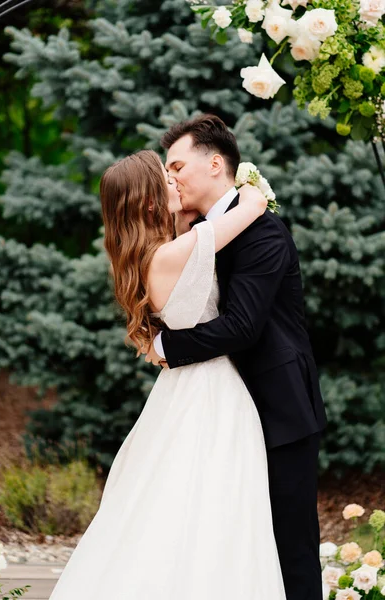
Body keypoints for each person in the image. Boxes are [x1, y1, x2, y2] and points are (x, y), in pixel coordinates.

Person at [49, 148, 287, 599]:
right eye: (166, 177)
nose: (176, 181)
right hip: (212, 394)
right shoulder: (178, 250)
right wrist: (248, 181)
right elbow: (254, 206)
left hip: (182, 388)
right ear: (150, 202)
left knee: (174, 504)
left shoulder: (153, 254)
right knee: (220, 508)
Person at [145, 114, 328, 600]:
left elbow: (243, 327)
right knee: (233, 547)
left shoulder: (262, 232)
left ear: (216, 164)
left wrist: (166, 347)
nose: (172, 177)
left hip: (279, 410)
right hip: (220, 413)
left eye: (178, 165)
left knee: (290, 548)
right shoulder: (198, 230)